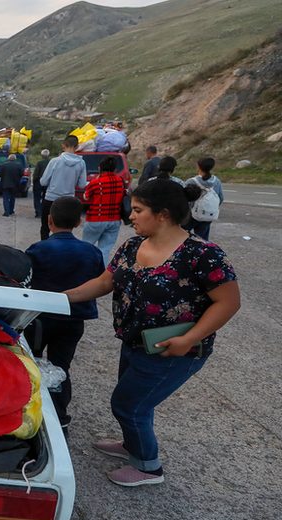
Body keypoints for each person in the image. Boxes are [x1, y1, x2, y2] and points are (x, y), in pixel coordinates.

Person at [64, 179, 240, 487]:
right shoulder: (133, 245)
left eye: (138, 210)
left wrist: (188, 339)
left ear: (163, 214)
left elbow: (228, 302)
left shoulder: (203, 254)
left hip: (174, 350)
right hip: (134, 342)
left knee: (129, 405)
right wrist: (61, 296)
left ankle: (148, 467)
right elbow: (106, 282)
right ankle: (132, 445)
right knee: (135, 400)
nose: (130, 216)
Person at [24, 197, 104, 433]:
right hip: (73, 321)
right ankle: (60, 417)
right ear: (79, 222)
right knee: (61, 366)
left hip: (40, 319)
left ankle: (29, 409)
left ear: (49, 221)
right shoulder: (93, 252)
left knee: (31, 362)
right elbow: (98, 282)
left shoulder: (38, 249)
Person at [39, 135, 87, 240]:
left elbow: (43, 182)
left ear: (63, 146)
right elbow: (82, 184)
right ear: (77, 147)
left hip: (51, 198)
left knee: (45, 228)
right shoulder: (81, 163)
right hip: (68, 200)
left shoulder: (55, 161)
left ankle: (45, 249)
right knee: (65, 230)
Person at [82, 156, 126, 264]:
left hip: (95, 219)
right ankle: (101, 272)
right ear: (115, 169)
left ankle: (85, 269)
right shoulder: (120, 181)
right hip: (114, 219)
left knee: (87, 247)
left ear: (99, 169)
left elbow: (86, 197)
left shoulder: (96, 183)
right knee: (105, 249)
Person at [181, 157, 224, 241]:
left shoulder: (191, 181)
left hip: (191, 214)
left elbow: (185, 199)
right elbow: (221, 197)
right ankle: (201, 253)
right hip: (208, 213)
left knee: (182, 234)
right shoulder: (216, 181)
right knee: (202, 239)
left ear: (198, 167)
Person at [32, 149, 51, 217]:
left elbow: (36, 173)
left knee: (37, 197)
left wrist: (34, 181)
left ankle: (38, 212)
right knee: (45, 197)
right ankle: (44, 211)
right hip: (48, 183)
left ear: (42, 155)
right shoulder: (51, 162)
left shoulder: (39, 163)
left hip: (38, 182)